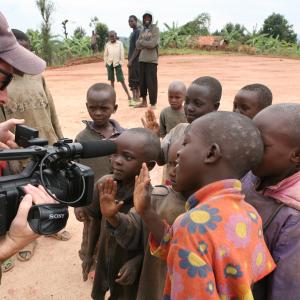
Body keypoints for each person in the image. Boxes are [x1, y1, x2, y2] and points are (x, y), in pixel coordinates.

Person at [134, 112, 276, 299]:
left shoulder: (192, 226)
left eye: (185, 143)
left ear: (211, 153)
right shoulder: (249, 213)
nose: (178, 152)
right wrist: (146, 211)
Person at [0, 11, 58, 281]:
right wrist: (10, 245)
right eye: (2, 80)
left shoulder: (38, 79)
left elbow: (51, 109)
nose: (3, 96)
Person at [100, 136, 186, 300]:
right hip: (153, 287)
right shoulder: (156, 197)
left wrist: (138, 261)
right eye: (171, 164)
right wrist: (114, 218)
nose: (172, 171)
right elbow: (133, 230)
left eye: (180, 164)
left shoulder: (209, 213)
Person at [83, 128, 161, 300]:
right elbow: (94, 221)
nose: (116, 161)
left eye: (127, 157)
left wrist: (138, 261)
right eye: (115, 154)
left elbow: (153, 242)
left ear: (147, 165)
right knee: (99, 293)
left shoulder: (151, 200)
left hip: (128, 262)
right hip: (104, 255)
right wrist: (90, 255)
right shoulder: (104, 185)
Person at [242, 103, 300, 299]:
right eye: (250, 141)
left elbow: (288, 286)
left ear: (297, 155)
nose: (251, 150)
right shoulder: (252, 175)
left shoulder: (293, 216)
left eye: (262, 146)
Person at [74, 82, 124, 268]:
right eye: (93, 108)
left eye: (104, 108)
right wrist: (78, 205)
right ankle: (90, 262)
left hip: (117, 200)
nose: (98, 113)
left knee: (113, 232)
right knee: (90, 234)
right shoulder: (81, 139)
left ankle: (109, 264)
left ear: (114, 108)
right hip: (90, 202)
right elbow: (76, 173)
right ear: (87, 107)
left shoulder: (123, 136)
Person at [135, 12, 160, 109]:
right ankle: (144, 102)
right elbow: (137, 45)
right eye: (144, 17)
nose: (146, 19)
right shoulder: (142, 30)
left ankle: (153, 104)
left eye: (148, 17)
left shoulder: (155, 29)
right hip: (142, 59)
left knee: (151, 82)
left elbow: (153, 44)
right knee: (143, 82)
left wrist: (142, 42)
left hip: (151, 60)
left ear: (151, 19)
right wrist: (144, 42)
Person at [103, 31, 131, 101]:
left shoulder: (120, 43)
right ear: (109, 37)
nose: (112, 38)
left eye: (113, 36)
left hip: (117, 64)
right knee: (112, 81)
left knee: (122, 80)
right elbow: (105, 55)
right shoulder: (107, 44)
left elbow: (122, 54)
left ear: (116, 36)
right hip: (109, 63)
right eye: (110, 36)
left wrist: (121, 63)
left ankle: (128, 95)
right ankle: (112, 97)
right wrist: (106, 63)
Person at [128, 15, 141, 106]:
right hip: (133, 59)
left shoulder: (138, 32)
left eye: (132, 21)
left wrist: (131, 60)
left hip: (135, 60)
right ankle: (136, 98)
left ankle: (135, 99)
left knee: (133, 79)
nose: (130, 23)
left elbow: (137, 48)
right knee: (135, 79)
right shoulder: (133, 33)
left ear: (136, 21)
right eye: (129, 22)